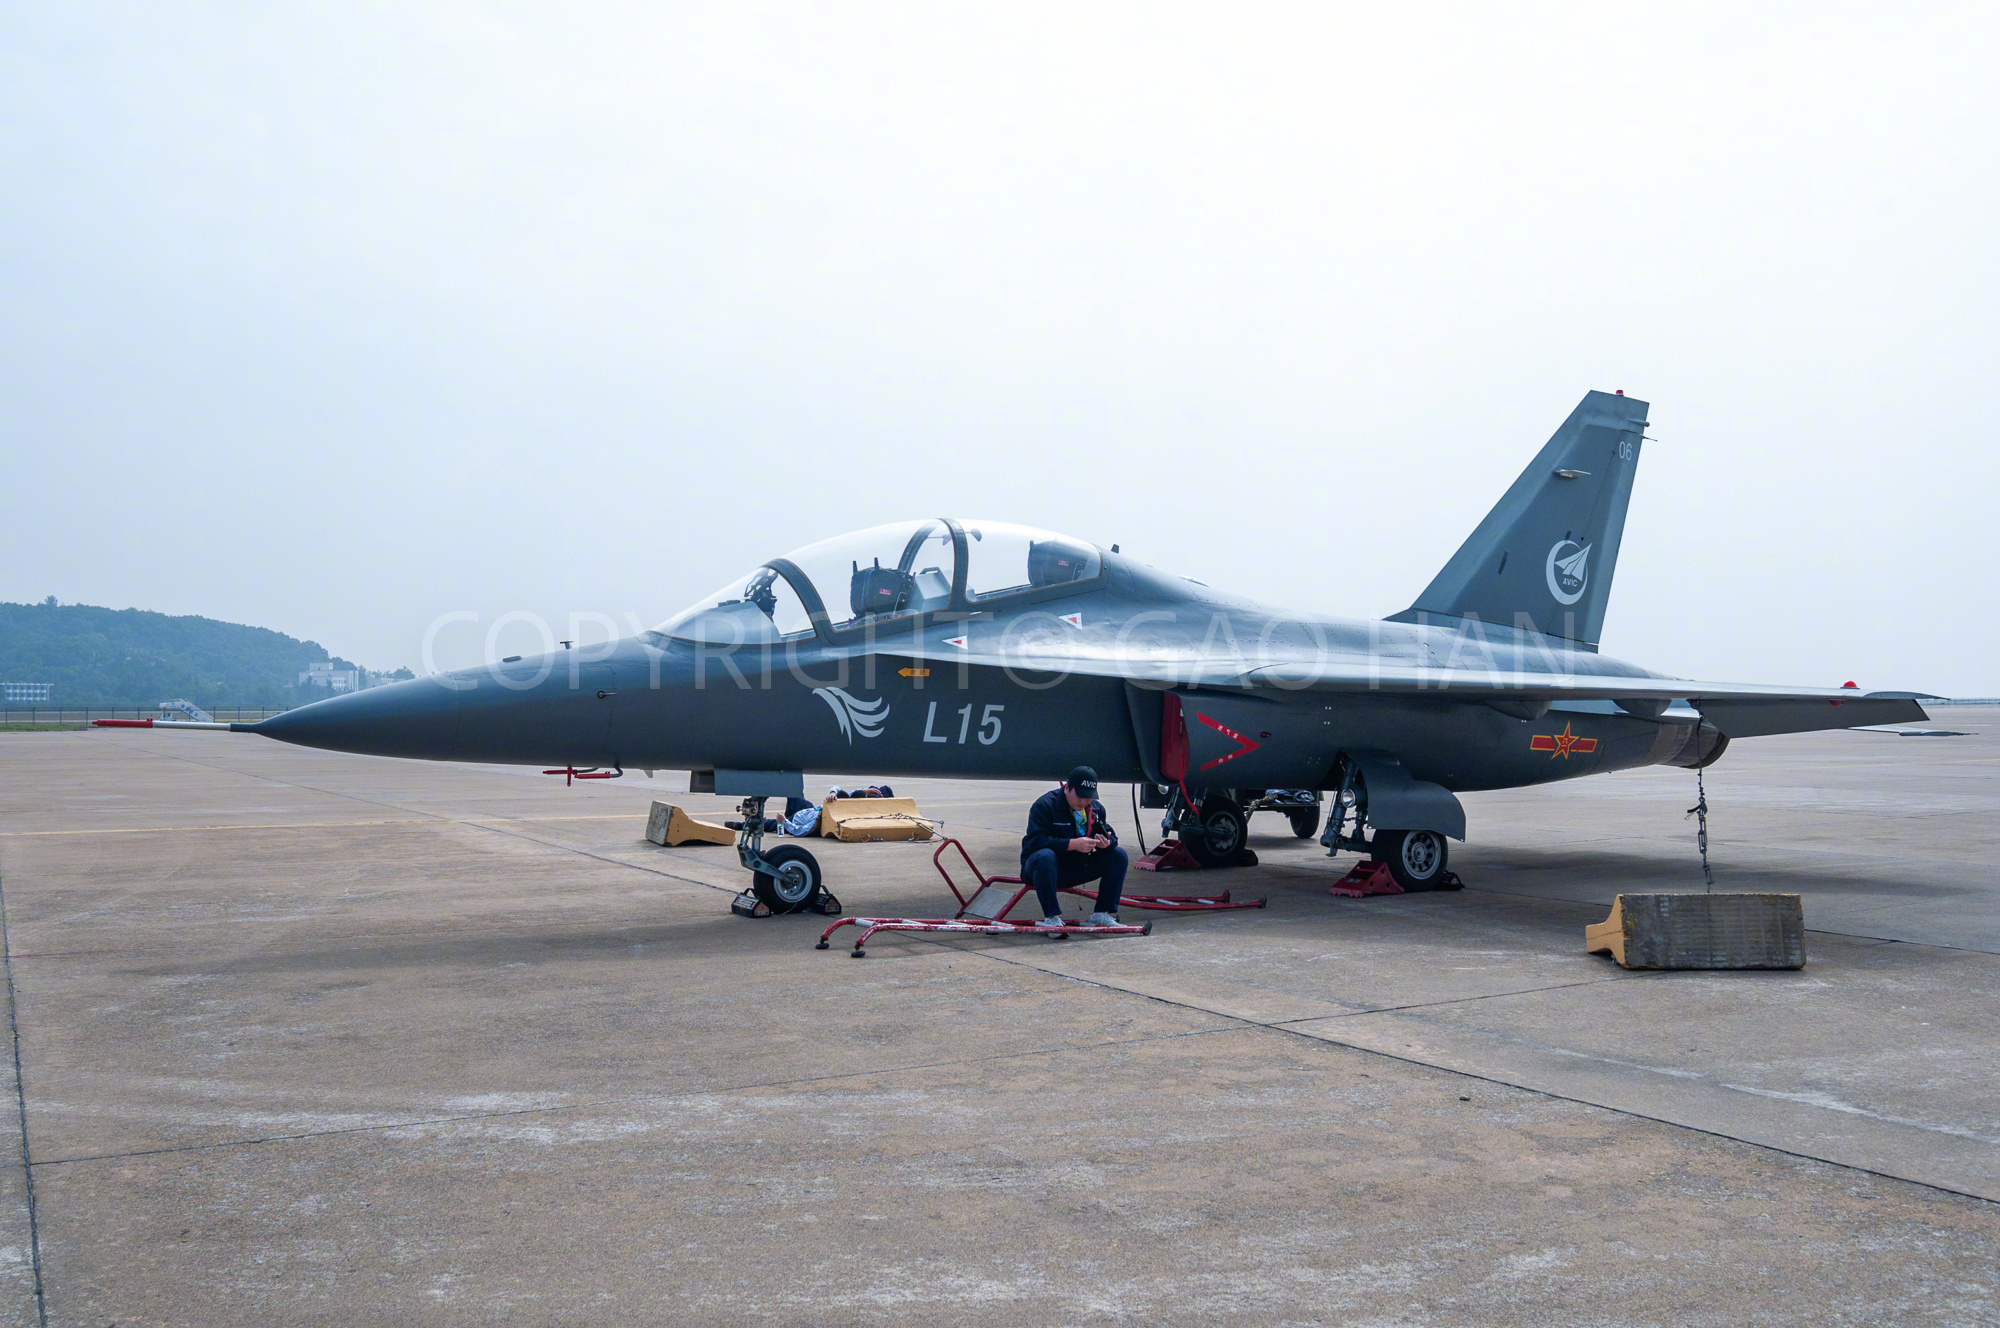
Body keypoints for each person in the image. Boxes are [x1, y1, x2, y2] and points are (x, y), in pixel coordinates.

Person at [1019, 765, 1127, 937]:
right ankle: (1051, 918)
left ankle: (1102, 913)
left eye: (1088, 797)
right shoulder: (1044, 805)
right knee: (1045, 856)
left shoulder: (1096, 809)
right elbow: (1034, 842)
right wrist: (1071, 844)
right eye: (1079, 796)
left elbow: (1111, 835)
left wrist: (1106, 843)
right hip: (1043, 870)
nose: (1083, 802)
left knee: (1118, 855)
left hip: (1076, 867)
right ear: (1067, 788)